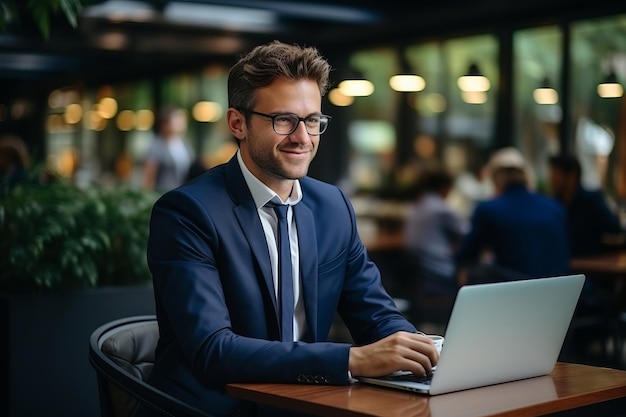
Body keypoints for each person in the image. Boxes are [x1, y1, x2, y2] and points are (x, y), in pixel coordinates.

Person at [146, 40, 438, 417]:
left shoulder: (333, 206)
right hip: (212, 408)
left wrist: (419, 348)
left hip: (307, 403)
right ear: (238, 123)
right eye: (284, 120)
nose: (303, 137)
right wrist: (351, 359)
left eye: (313, 120)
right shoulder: (187, 213)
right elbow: (212, 350)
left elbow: (375, 313)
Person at [455, 147, 570, 285]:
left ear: (495, 180)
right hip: (559, 293)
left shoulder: (488, 209)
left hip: (515, 293)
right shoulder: (556, 208)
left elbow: (465, 256)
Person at [403, 165, 467, 298]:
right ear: (444, 187)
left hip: (418, 271)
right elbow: (466, 233)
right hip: (438, 271)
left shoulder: (419, 204)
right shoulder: (440, 208)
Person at [547, 153, 624, 258]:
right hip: (562, 265)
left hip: (591, 266)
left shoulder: (591, 201)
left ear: (571, 176)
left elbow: (615, 229)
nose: (551, 179)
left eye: (556, 173)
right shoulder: (552, 205)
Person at [142, 105, 195, 191]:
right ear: (165, 123)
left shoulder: (185, 143)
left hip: (184, 192)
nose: (181, 123)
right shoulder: (156, 146)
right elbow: (149, 176)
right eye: (176, 119)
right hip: (164, 193)